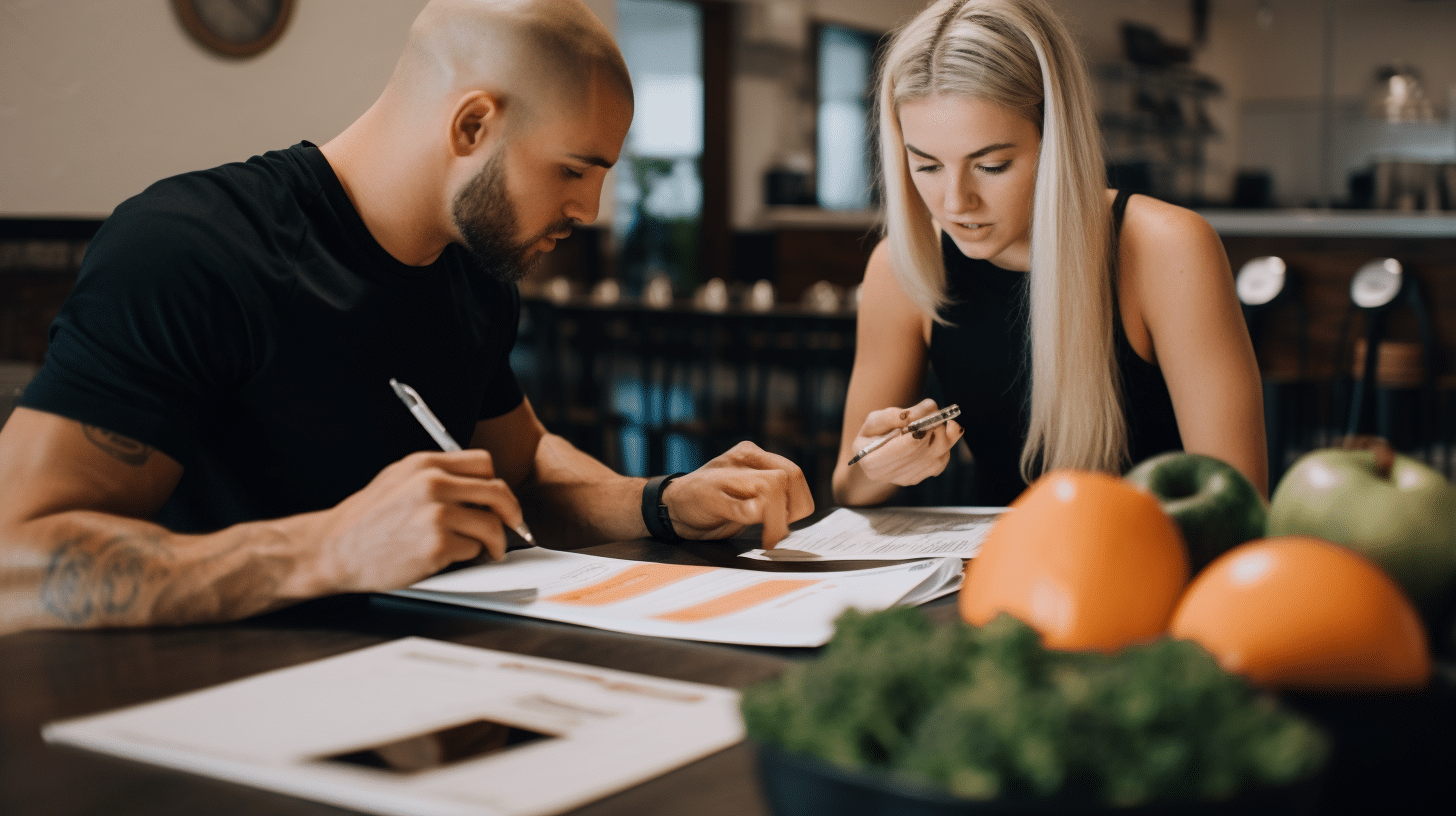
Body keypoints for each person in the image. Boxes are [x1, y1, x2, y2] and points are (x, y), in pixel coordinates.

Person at [0, 0, 812, 634]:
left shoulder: (473, 272)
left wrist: (658, 501)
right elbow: (13, 559)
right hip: (178, 718)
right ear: (471, 125)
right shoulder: (192, 250)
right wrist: (325, 549)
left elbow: (522, 471)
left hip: (409, 695)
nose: (592, 211)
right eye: (573, 169)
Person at [832, 0, 1264, 509]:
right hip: (1001, 576)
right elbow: (848, 486)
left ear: (1056, 139)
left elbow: (1240, 507)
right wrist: (880, 463)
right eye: (927, 166)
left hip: (1162, 570)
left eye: (991, 166)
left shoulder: (1167, 250)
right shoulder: (901, 266)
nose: (955, 202)